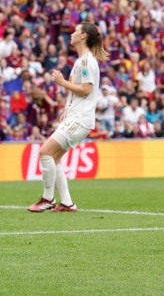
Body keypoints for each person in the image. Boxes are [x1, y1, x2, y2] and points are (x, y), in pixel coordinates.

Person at [27, 22, 107, 212]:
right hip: (77, 116)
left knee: (45, 152)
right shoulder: (82, 60)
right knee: (54, 158)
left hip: (80, 119)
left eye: (76, 31)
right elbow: (82, 91)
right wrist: (67, 109)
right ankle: (67, 203)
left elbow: (86, 89)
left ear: (84, 36)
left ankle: (47, 199)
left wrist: (62, 82)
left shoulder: (86, 61)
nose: (71, 33)